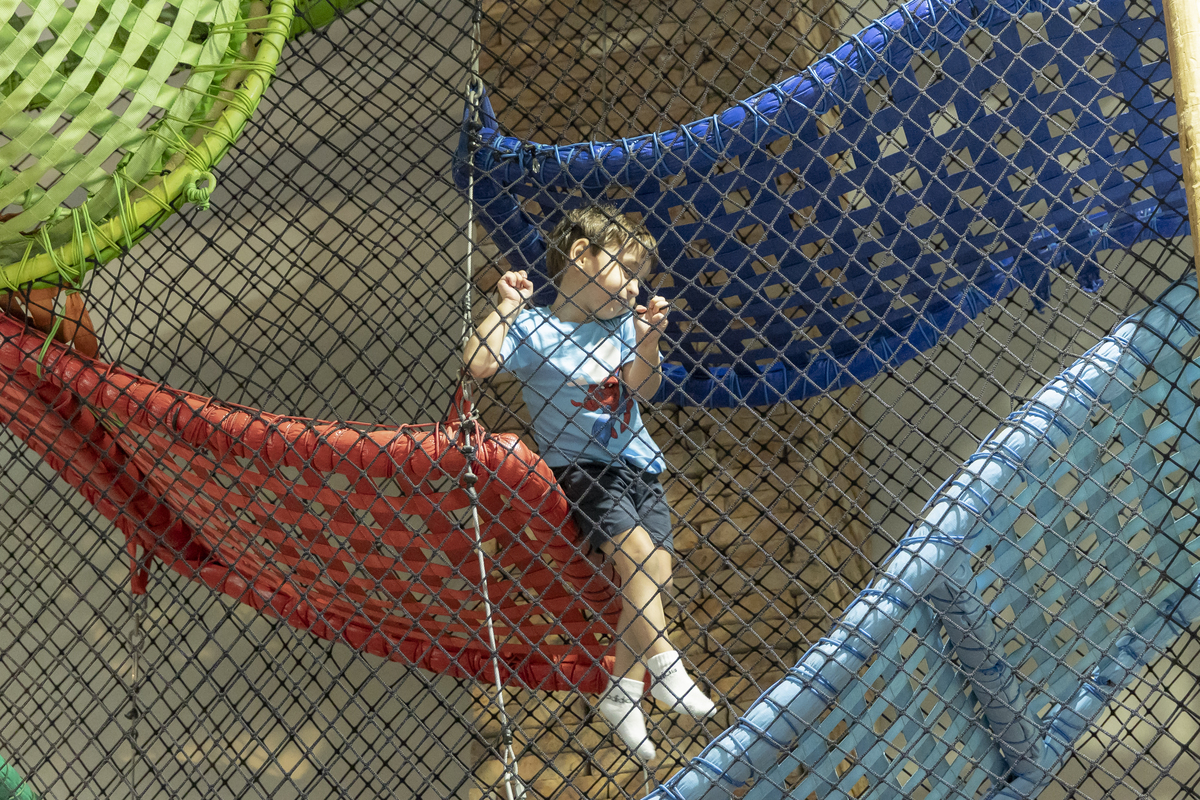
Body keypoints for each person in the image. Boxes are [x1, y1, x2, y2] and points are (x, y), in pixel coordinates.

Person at [464, 204, 715, 761]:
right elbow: (478, 364)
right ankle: (664, 665)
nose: (634, 287)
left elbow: (642, 390)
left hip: (641, 463)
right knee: (636, 554)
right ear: (582, 255)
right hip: (581, 467)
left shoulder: (622, 325)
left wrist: (648, 340)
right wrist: (505, 306)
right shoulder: (535, 329)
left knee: (656, 571)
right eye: (626, 270)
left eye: (639, 277)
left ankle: (621, 693)